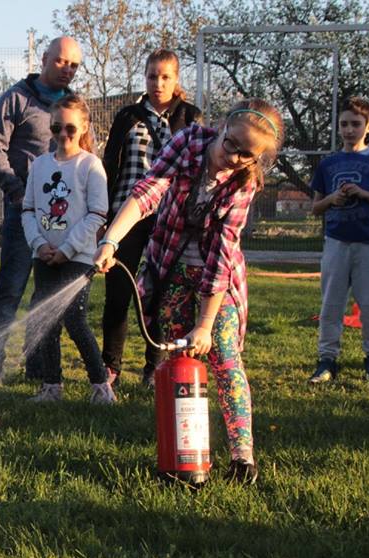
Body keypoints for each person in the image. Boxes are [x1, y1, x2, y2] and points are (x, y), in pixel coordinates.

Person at [94, 99, 285, 484]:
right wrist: (111, 240)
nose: (234, 157)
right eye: (231, 144)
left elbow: (221, 255)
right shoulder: (188, 142)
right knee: (176, 364)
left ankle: (242, 458)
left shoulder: (244, 184)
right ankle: (179, 454)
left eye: (248, 155)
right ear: (221, 127)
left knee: (225, 359)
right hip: (170, 269)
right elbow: (149, 190)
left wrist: (205, 324)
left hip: (217, 284)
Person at [0, 36, 83, 386]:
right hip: (24, 215)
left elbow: (87, 154)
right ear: (44, 58)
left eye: (74, 65)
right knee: (10, 289)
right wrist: (19, 192)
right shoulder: (17, 98)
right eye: (61, 61)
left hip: (64, 220)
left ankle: (39, 369)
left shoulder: (74, 107)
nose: (67, 69)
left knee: (48, 297)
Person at [101, 49, 202, 388]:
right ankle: (111, 367)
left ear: (176, 80)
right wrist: (106, 215)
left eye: (165, 77)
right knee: (118, 291)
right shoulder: (127, 116)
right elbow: (109, 166)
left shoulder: (190, 117)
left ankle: (153, 366)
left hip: (169, 216)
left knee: (158, 292)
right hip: (127, 211)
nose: (157, 83)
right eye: (151, 76)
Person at [22, 95, 114, 404]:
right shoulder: (40, 166)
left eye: (70, 128)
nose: (63, 135)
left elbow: (98, 213)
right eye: (57, 127)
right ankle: (52, 386)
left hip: (80, 257)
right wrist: (40, 244)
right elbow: (29, 210)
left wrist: (69, 248)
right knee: (44, 319)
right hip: (45, 255)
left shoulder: (90, 165)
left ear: (84, 127)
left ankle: (101, 386)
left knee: (75, 319)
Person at [308, 96, 369, 383]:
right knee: (331, 304)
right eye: (344, 124)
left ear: (368, 126)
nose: (349, 130)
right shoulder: (329, 163)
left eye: (355, 124)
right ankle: (327, 361)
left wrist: (363, 194)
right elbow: (315, 207)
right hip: (336, 241)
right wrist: (333, 199)